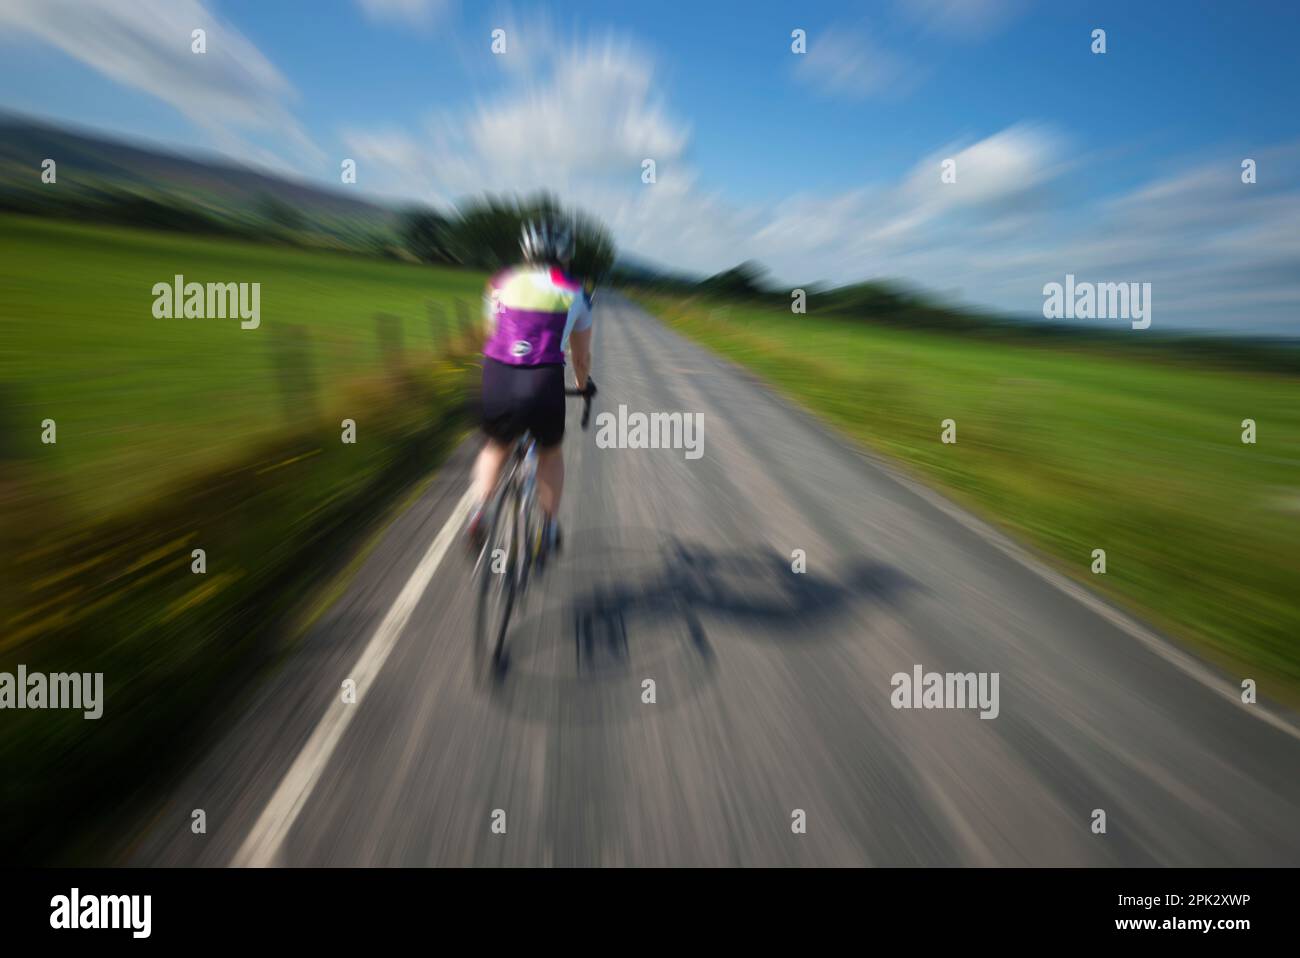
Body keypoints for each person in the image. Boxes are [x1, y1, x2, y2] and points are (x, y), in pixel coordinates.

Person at [466, 216, 593, 562]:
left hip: (498, 375)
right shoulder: (576, 291)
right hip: (543, 381)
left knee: (496, 445)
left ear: (525, 249)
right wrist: (583, 387)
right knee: (550, 453)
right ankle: (547, 529)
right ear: (564, 255)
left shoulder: (499, 281)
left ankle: (480, 511)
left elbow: (493, 332)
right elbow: (581, 358)